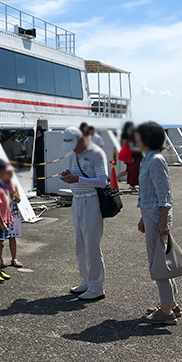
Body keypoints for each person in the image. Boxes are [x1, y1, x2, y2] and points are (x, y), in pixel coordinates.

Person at [135, 121, 179, 325]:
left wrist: (163, 220)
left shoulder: (156, 161)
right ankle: (170, 303)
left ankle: (166, 311)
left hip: (156, 218)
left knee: (159, 262)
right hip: (151, 216)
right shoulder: (149, 159)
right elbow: (148, 193)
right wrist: (143, 217)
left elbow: (164, 194)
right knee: (161, 261)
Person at [60, 125, 108, 301]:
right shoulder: (73, 154)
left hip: (91, 200)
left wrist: (78, 179)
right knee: (80, 243)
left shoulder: (96, 153)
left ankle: (97, 286)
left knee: (92, 244)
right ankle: (86, 280)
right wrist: (68, 176)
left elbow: (103, 181)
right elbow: (74, 173)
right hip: (77, 199)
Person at [5, 173, 24, 268]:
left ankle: (14, 258)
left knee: (13, 237)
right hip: (3, 214)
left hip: (13, 214)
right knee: (1, 239)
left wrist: (15, 194)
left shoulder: (14, 185)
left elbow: (19, 200)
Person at [119, 121, 142, 193]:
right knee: (132, 171)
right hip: (133, 155)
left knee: (131, 170)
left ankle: (133, 185)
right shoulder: (126, 135)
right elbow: (125, 145)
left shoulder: (131, 135)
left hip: (136, 155)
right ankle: (132, 185)